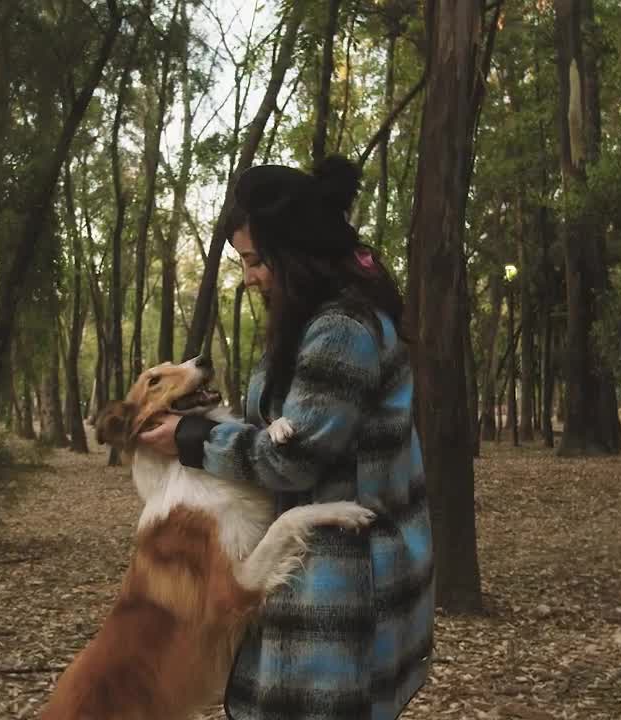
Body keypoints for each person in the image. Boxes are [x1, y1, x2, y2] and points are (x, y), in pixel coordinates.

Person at [137, 155, 434, 720]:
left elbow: (293, 459)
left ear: (293, 251)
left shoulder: (341, 330)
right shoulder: (309, 322)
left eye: (255, 260)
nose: (249, 277)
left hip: (342, 587)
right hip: (311, 571)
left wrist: (192, 439)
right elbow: (274, 431)